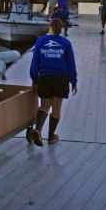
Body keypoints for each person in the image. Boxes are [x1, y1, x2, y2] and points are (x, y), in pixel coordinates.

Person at [29, 19, 78, 147]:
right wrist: (74, 82)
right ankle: (51, 136)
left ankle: (38, 130)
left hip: (45, 77)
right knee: (56, 107)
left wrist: (34, 79)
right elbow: (71, 64)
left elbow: (35, 62)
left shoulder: (40, 41)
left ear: (49, 27)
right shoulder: (66, 43)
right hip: (61, 78)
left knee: (45, 105)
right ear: (61, 29)